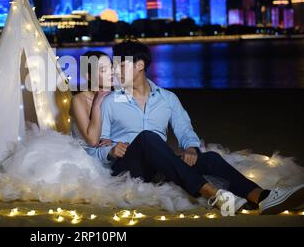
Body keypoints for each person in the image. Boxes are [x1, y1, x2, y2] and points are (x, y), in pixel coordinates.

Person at [89, 40, 304, 215]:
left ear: (139, 66)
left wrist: (191, 147)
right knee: (147, 137)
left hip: (159, 166)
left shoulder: (168, 99)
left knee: (209, 158)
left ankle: (263, 197)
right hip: (128, 169)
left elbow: (184, 130)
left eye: (121, 65)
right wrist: (110, 150)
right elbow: (97, 148)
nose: (116, 71)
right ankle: (212, 193)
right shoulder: (110, 102)